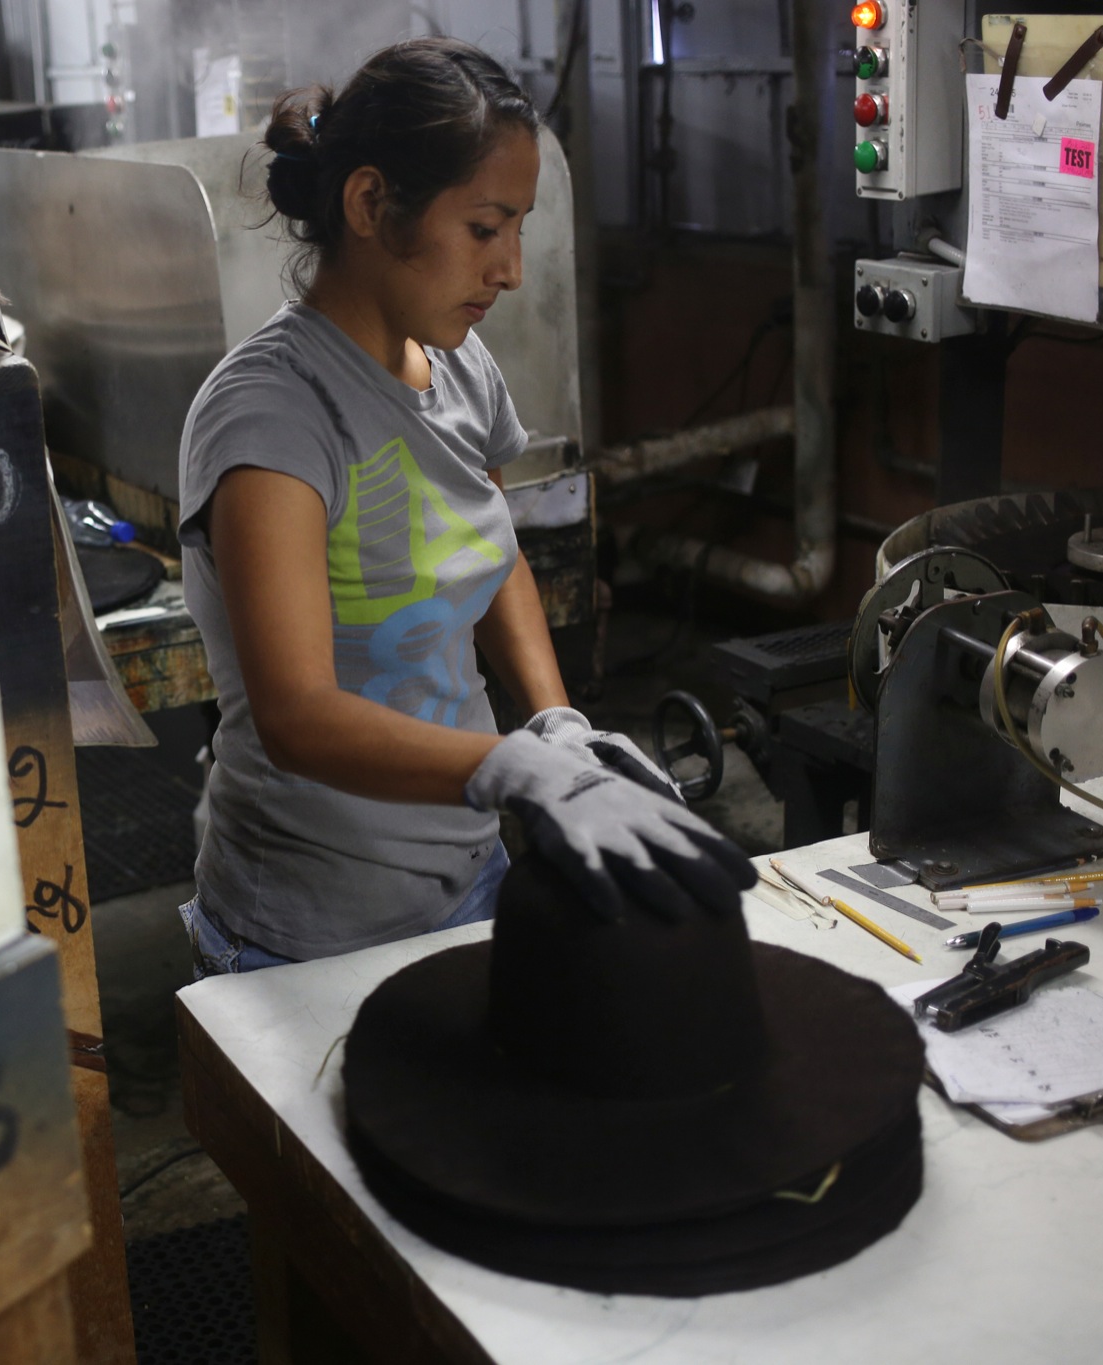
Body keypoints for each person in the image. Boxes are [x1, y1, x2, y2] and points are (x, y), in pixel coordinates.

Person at [176, 37, 755, 977]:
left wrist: (558, 731)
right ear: (370, 204)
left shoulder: (458, 366)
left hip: (471, 876)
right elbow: (296, 713)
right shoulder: (272, 416)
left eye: (519, 228)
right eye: (486, 228)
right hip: (306, 930)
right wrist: (505, 767)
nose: (512, 269)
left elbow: (498, 557)